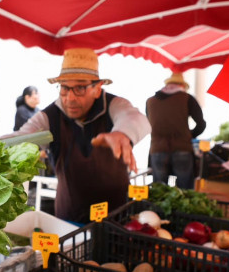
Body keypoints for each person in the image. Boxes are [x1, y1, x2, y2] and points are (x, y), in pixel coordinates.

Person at [15, 48, 150, 223]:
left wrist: (122, 134)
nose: (70, 98)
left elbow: (135, 118)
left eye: (79, 88)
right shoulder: (49, 116)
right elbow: (22, 137)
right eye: (64, 88)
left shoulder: (114, 104)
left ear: (97, 88)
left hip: (117, 215)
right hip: (70, 218)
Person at [145, 72, 206, 188]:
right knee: (184, 191)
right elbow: (201, 124)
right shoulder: (187, 98)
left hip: (157, 149)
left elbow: (148, 124)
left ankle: (158, 207)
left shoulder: (150, 101)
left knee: (159, 191)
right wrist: (189, 136)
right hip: (182, 149)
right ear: (182, 86)